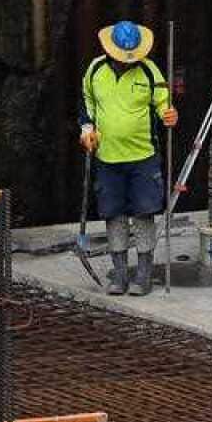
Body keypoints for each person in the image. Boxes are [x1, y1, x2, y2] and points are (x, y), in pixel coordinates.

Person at [79, 21, 179, 296]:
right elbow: (87, 102)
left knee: (144, 213)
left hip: (143, 156)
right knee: (114, 215)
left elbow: (163, 102)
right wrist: (86, 129)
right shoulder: (95, 70)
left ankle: (144, 275)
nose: (127, 61)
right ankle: (120, 275)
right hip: (107, 157)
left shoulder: (149, 70)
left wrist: (169, 113)